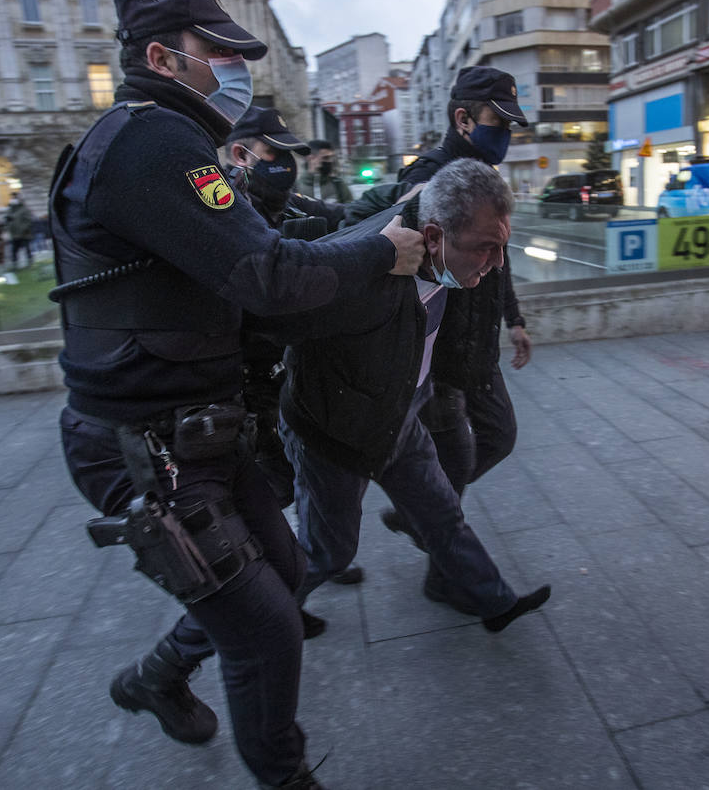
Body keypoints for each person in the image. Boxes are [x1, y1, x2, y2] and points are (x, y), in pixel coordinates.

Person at [52, 0, 424, 790]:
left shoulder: (176, 139)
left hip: (203, 435)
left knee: (284, 580)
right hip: (143, 450)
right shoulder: (151, 142)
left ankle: (154, 677)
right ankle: (287, 780)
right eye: (219, 53)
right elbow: (268, 276)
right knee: (264, 630)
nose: (236, 68)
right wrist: (378, 253)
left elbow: (244, 275)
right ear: (161, 58)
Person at [279, 157, 551, 634]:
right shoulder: (363, 264)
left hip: (401, 416)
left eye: (502, 247)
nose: (497, 265)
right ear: (432, 236)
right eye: (486, 249)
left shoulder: (449, 254)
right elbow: (273, 309)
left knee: (443, 514)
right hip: (332, 432)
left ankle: (494, 602)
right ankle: (258, 617)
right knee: (329, 551)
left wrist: (511, 327)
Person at [342, 67, 533, 570]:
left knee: (498, 436)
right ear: (463, 119)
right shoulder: (425, 178)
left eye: (513, 125)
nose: (506, 135)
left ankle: (421, 516)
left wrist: (513, 318)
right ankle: (446, 562)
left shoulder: (486, 179)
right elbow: (399, 273)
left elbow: (500, 258)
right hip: (439, 352)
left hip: (479, 345)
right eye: (499, 122)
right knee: (454, 459)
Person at [222, 106, 358, 588]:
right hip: (248, 378)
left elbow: (344, 216)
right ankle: (270, 582)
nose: (286, 163)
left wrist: (404, 197)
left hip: (288, 368)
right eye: (274, 153)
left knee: (306, 475)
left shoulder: (288, 204)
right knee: (275, 482)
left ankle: (314, 557)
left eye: (290, 153)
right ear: (241, 154)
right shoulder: (224, 213)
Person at [301, 139, 351, 204]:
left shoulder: (338, 185)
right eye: (326, 158)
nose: (330, 161)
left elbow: (350, 210)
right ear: (311, 158)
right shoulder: (296, 188)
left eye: (331, 157)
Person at [5, 194, 35, 268]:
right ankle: (15, 265)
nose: (13, 199)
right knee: (14, 251)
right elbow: (9, 221)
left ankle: (30, 264)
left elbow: (29, 220)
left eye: (14, 198)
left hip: (24, 234)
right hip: (14, 234)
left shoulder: (24, 209)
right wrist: (8, 224)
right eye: (12, 198)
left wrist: (23, 228)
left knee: (27, 250)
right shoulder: (10, 210)